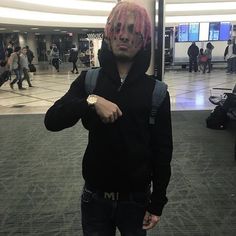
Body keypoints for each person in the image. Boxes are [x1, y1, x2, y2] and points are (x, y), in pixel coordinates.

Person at [44, 1, 173, 236]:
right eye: (119, 28)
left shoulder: (157, 92)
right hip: (95, 198)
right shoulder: (89, 81)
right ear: (109, 32)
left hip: (135, 200)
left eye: (133, 30)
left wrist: (157, 203)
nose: (124, 36)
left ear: (143, 38)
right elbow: (52, 120)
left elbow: (163, 152)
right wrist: (90, 101)